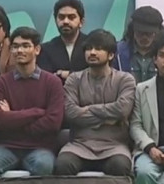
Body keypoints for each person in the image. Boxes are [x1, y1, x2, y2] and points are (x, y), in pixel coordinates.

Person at [0, 27, 64, 179]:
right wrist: (37, 112)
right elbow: (0, 120)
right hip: (6, 146)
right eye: (15, 46)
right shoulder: (1, 82)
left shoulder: (53, 82)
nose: (19, 50)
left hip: (41, 147)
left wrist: (12, 116)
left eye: (25, 46)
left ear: (37, 50)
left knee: (43, 165)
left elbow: (53, 123)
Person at [54, 29, 135, 176]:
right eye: (89, 48)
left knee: (121, 165)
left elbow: (122, 110)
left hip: (114, 146)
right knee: (63, 163)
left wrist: (87, 110)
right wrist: (108, 118)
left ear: (111, 55)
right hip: (79, 144)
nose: (92, 52)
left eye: (98, 49)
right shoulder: (74, 79)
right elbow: (71, 113)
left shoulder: (125, 79)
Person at [130, 32, 164, 184]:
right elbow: (135, 125)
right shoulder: (141, 89)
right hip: (150, 151)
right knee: (144, 173)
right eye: (162, 55)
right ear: (154, 59)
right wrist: (151, 148)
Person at [38, 0, 88, 80]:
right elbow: (46, 79)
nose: (65, 21)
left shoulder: (92, 46)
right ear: (55, 20)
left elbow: (97, 75)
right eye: (61, 17)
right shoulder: (46, 49)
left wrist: (69, 74)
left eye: (71, 17)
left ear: (81, 22)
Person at [113, 6, 164, 83]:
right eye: (140, 33)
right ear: (133, 30)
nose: (144, 37)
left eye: (149, 34)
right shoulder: (118, 52)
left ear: (157, 33)